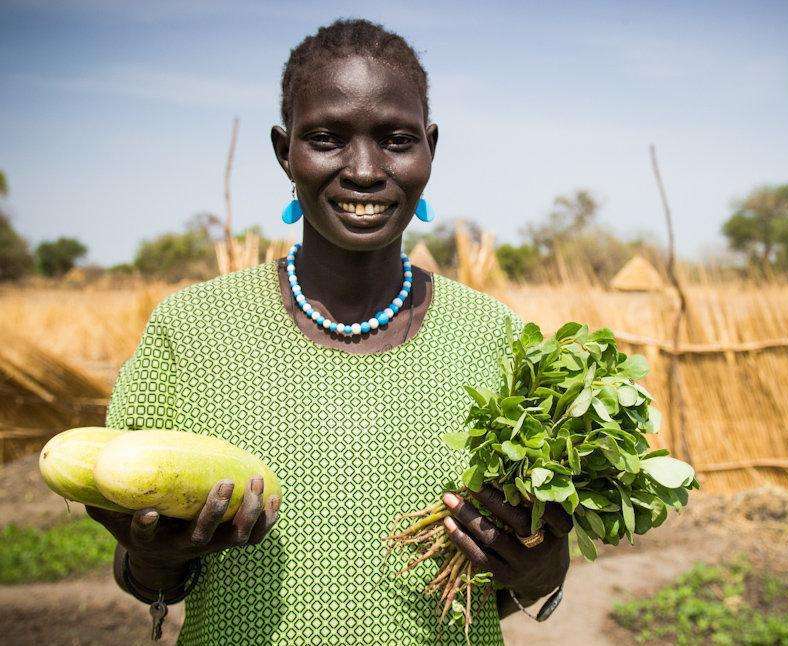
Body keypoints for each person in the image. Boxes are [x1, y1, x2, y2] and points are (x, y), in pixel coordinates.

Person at [85, 18, 570, 645]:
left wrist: (540, 569)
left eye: (396, 139)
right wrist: (157, 559)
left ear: (431, 147)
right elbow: (144, 574)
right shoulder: (193, 331)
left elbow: (501, 583)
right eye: (327, 138)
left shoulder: (495, 340)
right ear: (284, 150)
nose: (364, 170)